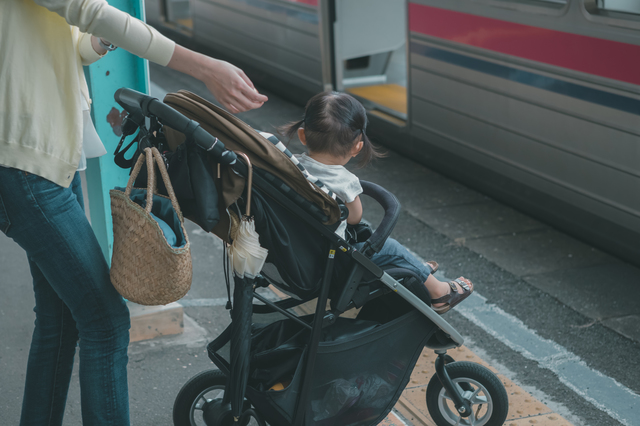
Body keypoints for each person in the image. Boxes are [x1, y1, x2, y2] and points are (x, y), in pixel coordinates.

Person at [0, 0, 267, 425]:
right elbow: (88, 9)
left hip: (48, 160)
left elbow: (77, 45)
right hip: (26, 167)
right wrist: (203, 67)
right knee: (105, 322)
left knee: (60, 321)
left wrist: (102, 41)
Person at [282, 91, 473, 314]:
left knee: (376, 242)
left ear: (303, 136)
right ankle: (440, 292)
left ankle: (417, 269)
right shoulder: (345, 181)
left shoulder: (292, 167)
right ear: (357, 147)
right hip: (334, 263)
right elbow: (355, 217)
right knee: (388, 247)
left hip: (299, 253)